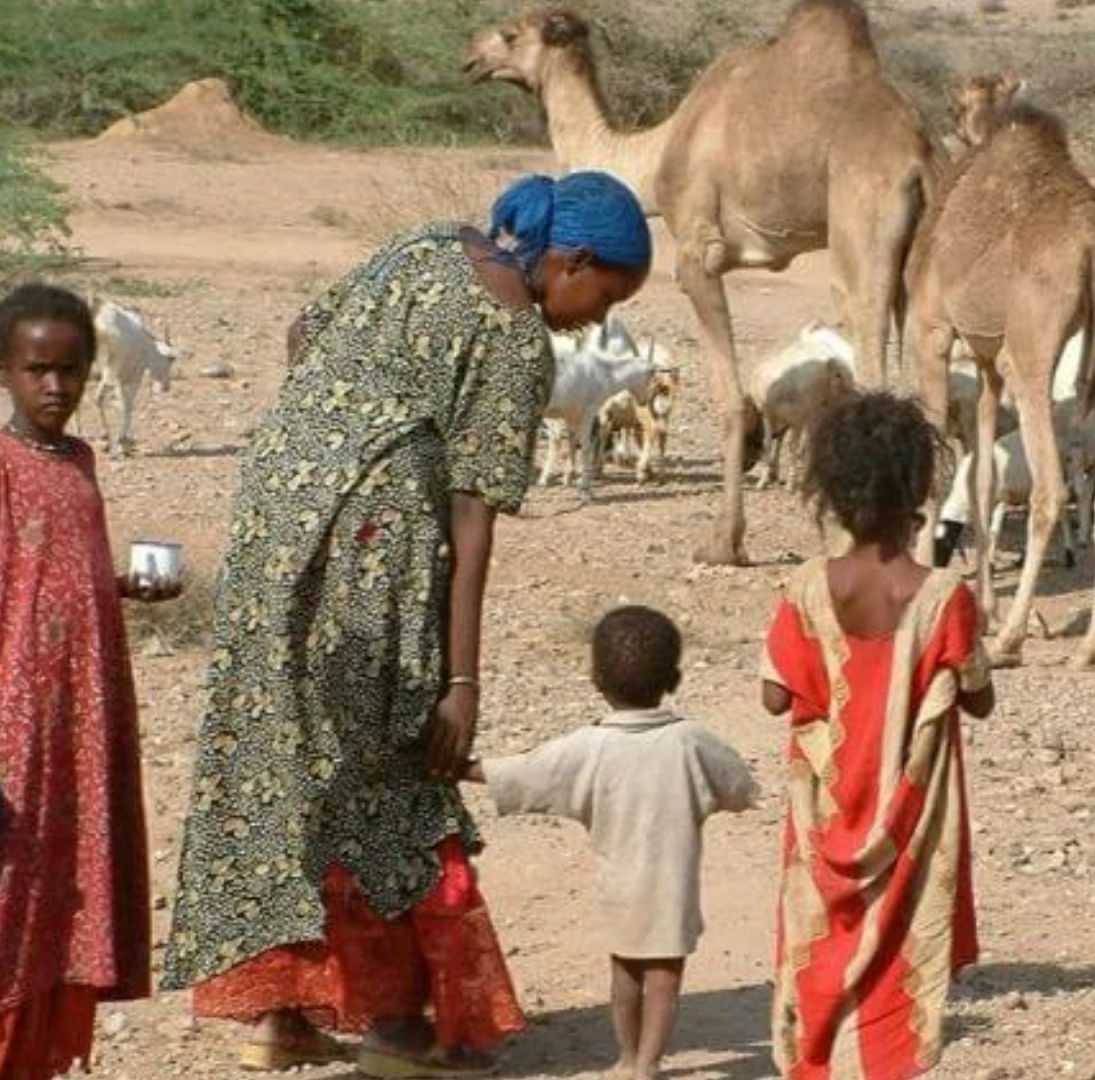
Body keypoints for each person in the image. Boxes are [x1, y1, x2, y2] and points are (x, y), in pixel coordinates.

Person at [162, 171, 653, 1077]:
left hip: (275, 507)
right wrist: (460, 683)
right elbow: (474, 516)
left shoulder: (425, 245)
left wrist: (330, 431)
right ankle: (395, 1024)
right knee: (394, 762)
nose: (594, 319)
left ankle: (279, 1018)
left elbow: (304, 330)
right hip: (374, 541)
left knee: (290, 747)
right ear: (574, 261)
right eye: (606, 295)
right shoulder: (514, 338)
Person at [0, 283, 177, 1080]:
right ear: (1, 371)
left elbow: (59, 570)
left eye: (71, 371)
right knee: (1, 883)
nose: (55, 387)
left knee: (67, 874)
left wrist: (124, 588)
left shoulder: (81, 459)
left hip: (84, 710)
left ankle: (39, 1056)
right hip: (9, 706)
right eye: (37, 371)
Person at [759, 392, 996, 1080]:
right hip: (909, 825)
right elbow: (978, 699)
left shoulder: (806, 587)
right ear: (920, 486)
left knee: (818, 948)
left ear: (828, 488)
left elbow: (776, 696)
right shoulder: (944, 595)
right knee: (896, 963)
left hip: (822, 820)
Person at [462, 606, 758, 1080]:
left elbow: (526, 772)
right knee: (664, 975)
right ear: (675, 678)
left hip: (618, 887)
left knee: (625, 972)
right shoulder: (691, 742)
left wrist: (462, 767)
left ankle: (624, 1056)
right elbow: (739, 785)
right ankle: (649, 1062)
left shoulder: (589, 747)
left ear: (596, 680)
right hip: (672, 886)